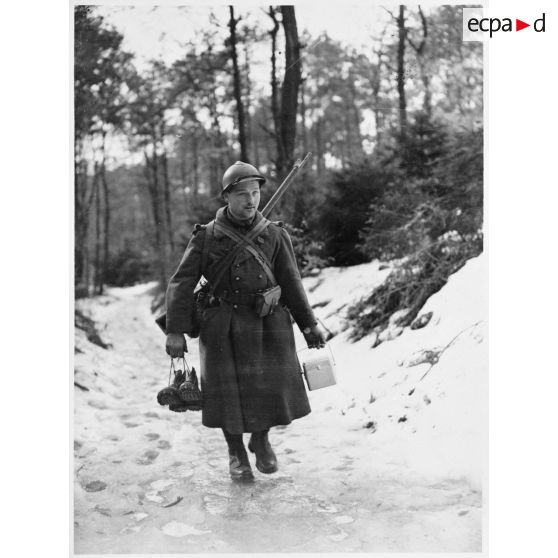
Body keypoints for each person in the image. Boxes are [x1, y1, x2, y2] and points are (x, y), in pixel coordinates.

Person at [164, 161, 325, 481]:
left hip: (268, 323)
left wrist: (309, 326)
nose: (251, 200)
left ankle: (262, 441)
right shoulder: (207, 237)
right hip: (222, 325)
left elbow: (292, 283)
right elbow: (181, 283)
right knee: (227, 393)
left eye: (255, 193)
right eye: (243, 195)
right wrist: (175, 330)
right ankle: (235, 452)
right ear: (226, 197)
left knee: (268, 387)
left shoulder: (275, 234)